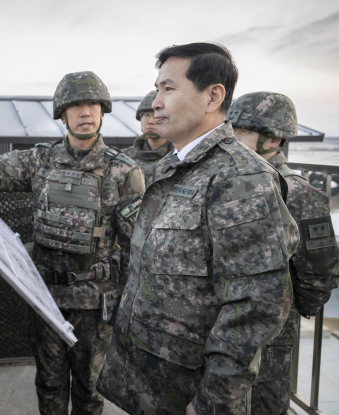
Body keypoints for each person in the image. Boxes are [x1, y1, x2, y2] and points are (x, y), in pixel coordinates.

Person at [0, 71, 145, 415]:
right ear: (62, 114)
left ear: (102, 111)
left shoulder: (124, 171)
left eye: (92, 105)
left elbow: (135, 247)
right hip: (45, 298)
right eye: (76, 105)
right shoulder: (41, 161)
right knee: (49, 385)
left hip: (94, 304)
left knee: (90, 390)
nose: (85, 112)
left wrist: (125, 305)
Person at [96, 43, 299, 415]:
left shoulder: (241, 178)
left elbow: (254, 309)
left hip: (190, 396)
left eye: (168, 89)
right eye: (157, 89)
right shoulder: (173, 168)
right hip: (150, 385)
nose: (156, 102)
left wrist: (211, 403)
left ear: (212, 97)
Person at [229, 91, 339, 415]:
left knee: (264, 403)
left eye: (241, 132)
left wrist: (290, 312)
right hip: (224, 324)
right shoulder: (229, 182)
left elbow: (321, 271)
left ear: (274, 139)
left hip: (271, 334)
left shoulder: (299, 192)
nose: (231, 139)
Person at [125, 90, 174, 186]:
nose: (151, 121)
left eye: (157, 114)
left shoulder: (179, 157)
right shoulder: (125, 157)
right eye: (147, 115)